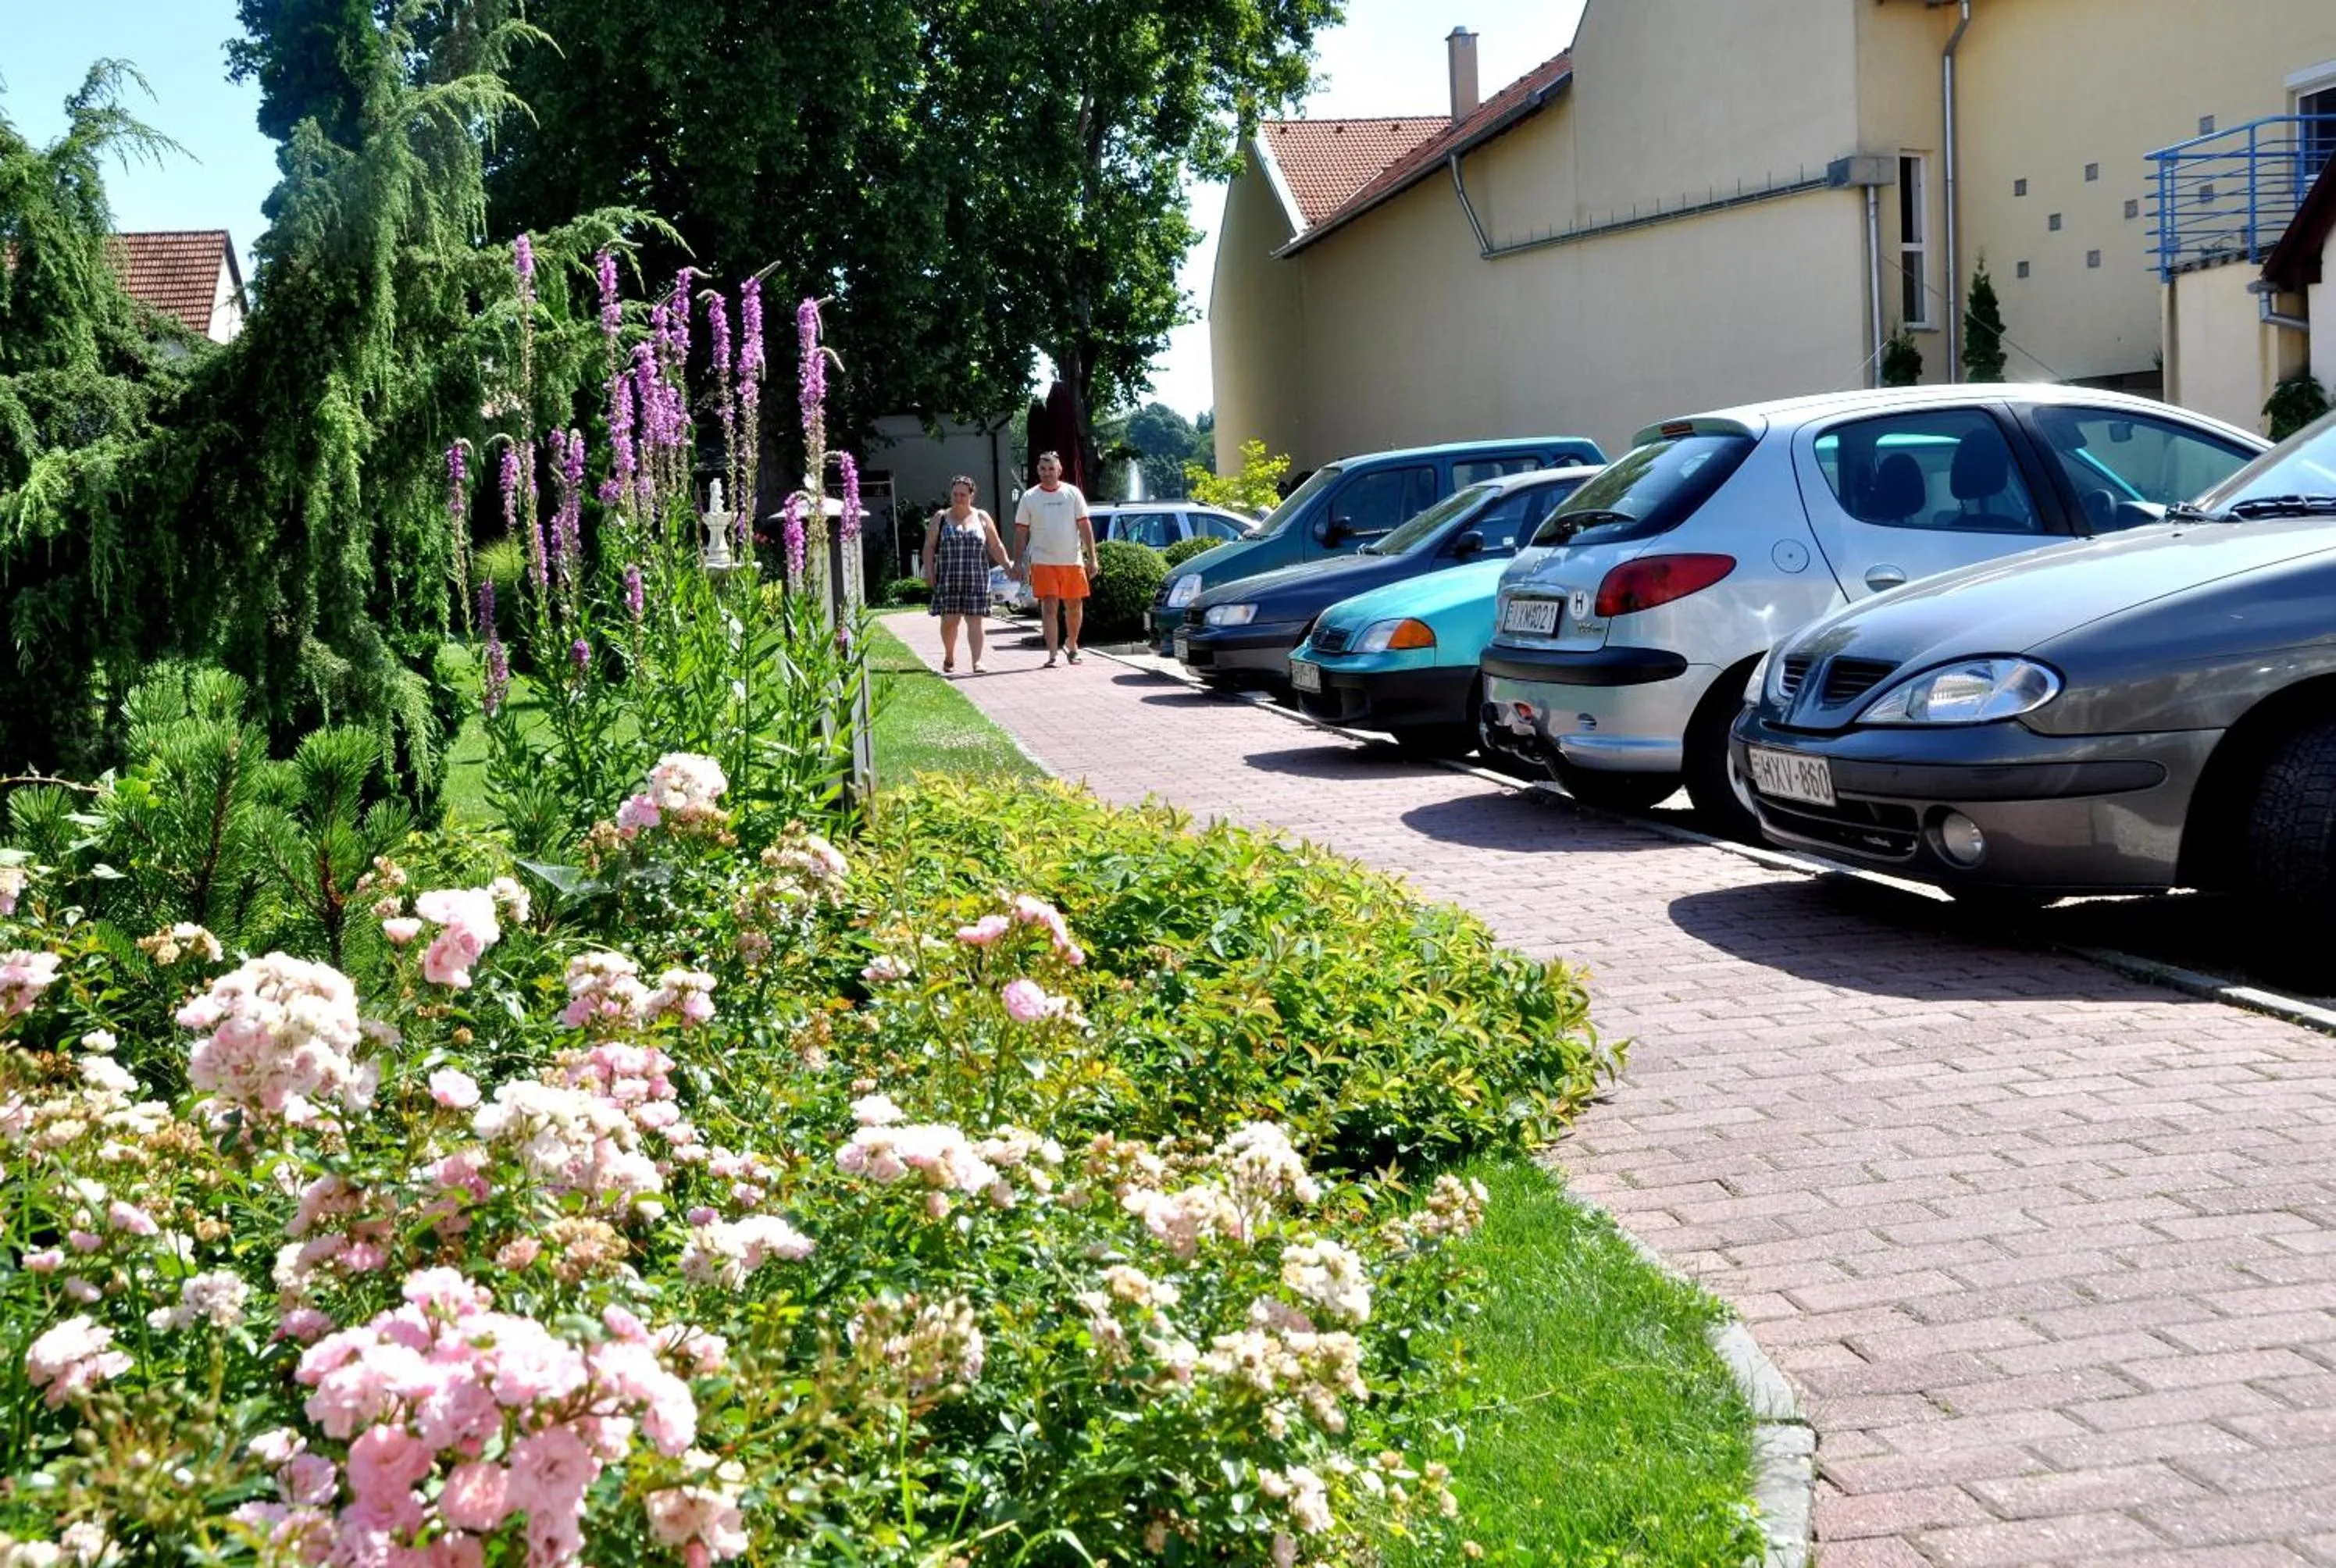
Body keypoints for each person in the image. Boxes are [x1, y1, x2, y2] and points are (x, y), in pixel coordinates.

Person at [1012, 451, 1099, 666]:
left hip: (1072, 560)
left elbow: (1085, 526)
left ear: (1059, 470)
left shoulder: (1073, 493)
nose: (1047, 473)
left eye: (1052, 469)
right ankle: (1052, 654)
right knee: (1049, 606)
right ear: (1037, 471)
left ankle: (1071, 643)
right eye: (1043, 469)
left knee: (1074, 606)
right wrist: (1017, 561)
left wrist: (1093, 558)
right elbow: (1021, 532)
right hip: (1042, 561)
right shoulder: (1029, 497)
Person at [922, 476, 1011, 674]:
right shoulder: (941, 517)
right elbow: (929, 546)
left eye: (963, 494)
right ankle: (949, 655)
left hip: (976, 578)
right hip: (949, 578)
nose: (958, 498)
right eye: (955, 494)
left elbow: (995, 545)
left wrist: (1007, 566)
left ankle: (977, 661)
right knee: (950, 621)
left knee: (975, 620)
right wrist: (929, 570)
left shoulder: (981, 517)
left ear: (972, 495)